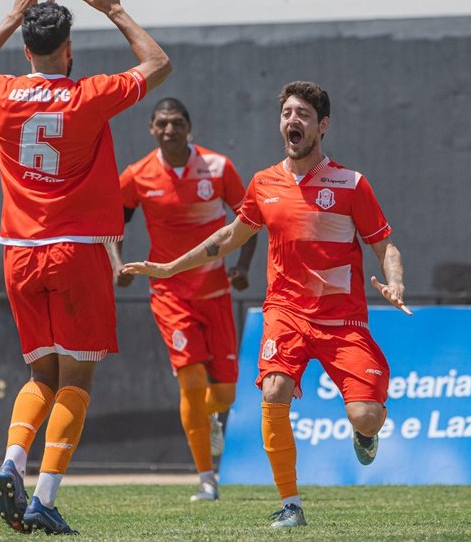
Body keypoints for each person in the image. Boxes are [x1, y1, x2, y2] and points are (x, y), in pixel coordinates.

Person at [122, 81, 410, 529]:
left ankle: (365, 434)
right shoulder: (264, 182)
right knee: (274, 390)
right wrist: (167, 268)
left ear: (323, 126)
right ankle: (291, 505)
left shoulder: (351, 183)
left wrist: (394, 283)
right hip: (286, 313)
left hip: (343, 320)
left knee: (367, 415)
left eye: (303, 115)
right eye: (287, 114)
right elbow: (225, 239)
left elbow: (385, 246)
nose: (292, 121)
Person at [0, 0, 171, 535]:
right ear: (69, 48)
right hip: (77, 251)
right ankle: (44, 498)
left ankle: (11, 462)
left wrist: (9, 14)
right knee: (76, 382)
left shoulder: (2, 94)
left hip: (18, 252)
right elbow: (157, 62)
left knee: (40, 379)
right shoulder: (89, 95)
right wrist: (117, 10)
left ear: (26, 51)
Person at [106, 98, 257, 502]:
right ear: (151, 129)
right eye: (162, 123)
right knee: (190, 380)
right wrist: (118, 264)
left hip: (216, 292)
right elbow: (110, 224)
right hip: (169, 292)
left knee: (223, 394)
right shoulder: (137, 175)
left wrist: (241, 267)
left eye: (177, 123)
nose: (169, 129)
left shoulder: (219, 168)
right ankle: (207, 479)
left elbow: (249, 221)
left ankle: (211, 420)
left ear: (189, 126)